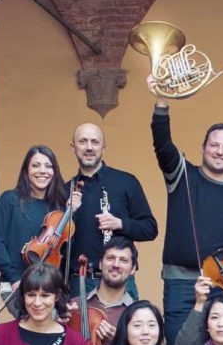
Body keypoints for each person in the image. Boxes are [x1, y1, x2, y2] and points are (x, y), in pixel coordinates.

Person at [149, 102, 223, 330]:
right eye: (214, 145)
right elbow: (163, 145)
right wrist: (161, 106)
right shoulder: (182, 174)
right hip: (179, 283)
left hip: (221, 285)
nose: (220, 151)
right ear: (203, 147)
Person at [66, 120, 159, 283]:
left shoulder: (126, 182)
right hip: (79, 282)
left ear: (103, 148)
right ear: (73, 148)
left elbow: (150, 229)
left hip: (120, 281)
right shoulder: (64, 189)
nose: (89, 147)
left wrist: (120, 224)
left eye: (95, 142)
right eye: (83, 141)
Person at [0, 144, 71, 297]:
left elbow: (64, 250)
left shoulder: (59, 207)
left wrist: (71, 213)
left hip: (49, 287)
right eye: (36, 165)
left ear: (54, 172)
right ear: (26, 170)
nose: (42, 171)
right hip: (16, 283)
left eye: (48, 166)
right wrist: (14, 278)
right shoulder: (10, 200)